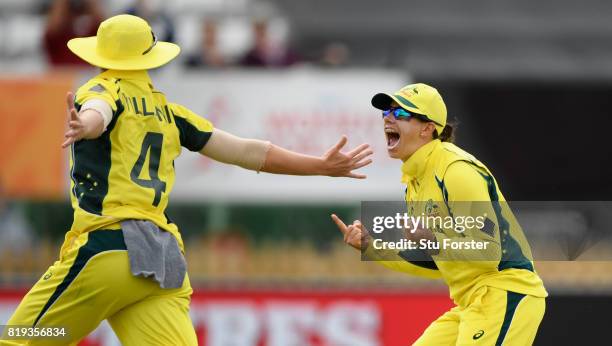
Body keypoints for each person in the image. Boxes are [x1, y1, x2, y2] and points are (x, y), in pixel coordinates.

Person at [2, 15, 372, 345]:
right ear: (149, 57)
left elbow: (101, 110)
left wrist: (87, 123)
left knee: (21, 337)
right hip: (160, 262)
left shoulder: (100, 90)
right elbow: (247, 152)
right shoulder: (170, 112)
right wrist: (318, 165)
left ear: (100, 56)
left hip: (108, 250)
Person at [330, 83, 547, 345]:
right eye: (386, 113)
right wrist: (371, 247)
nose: (388, 117)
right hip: (472, 303)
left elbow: (488, 253)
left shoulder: (455, 169)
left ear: (427, 128)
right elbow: (436, 263)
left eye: (400, 114)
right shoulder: (415, 183)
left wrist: (433, 239)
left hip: (504, 292)